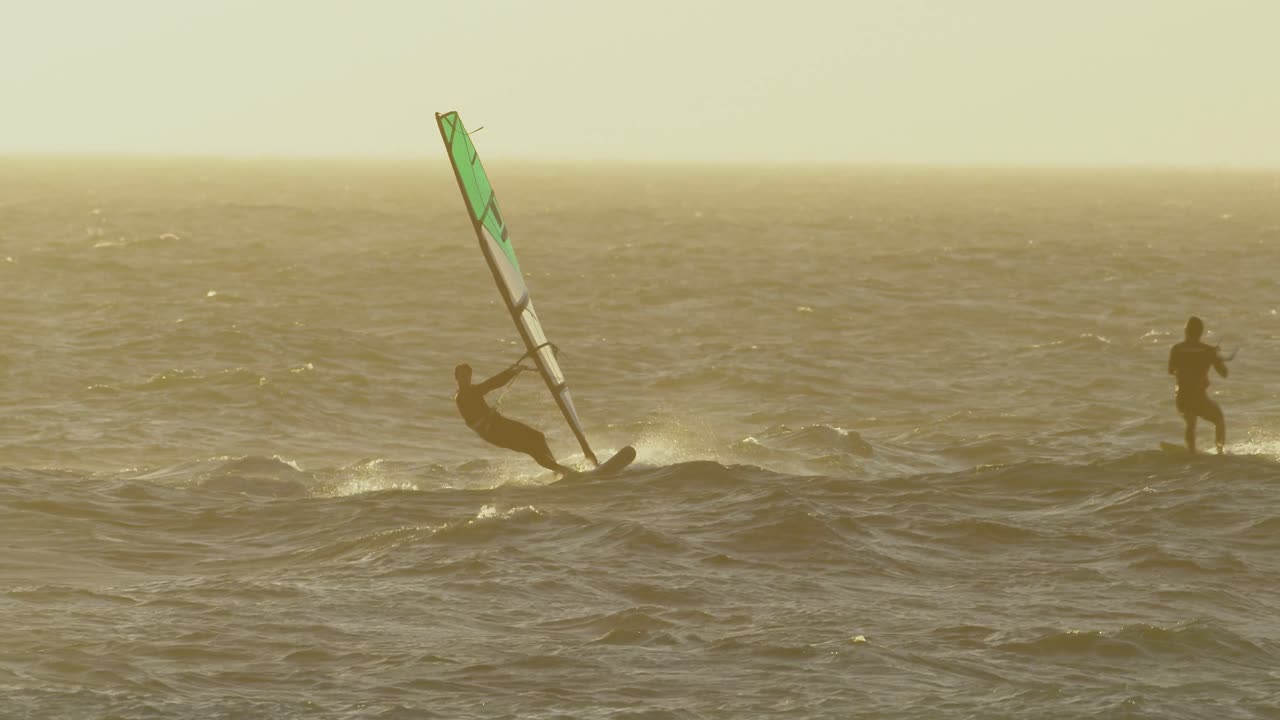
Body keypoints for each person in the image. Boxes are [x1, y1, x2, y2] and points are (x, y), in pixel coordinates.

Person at [454, 362, 574, 474]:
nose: (464, 379)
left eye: (466, 376)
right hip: (494, 432)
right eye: (461, 377)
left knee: (538, 437)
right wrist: (511, 372)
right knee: (532, 448)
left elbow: (492, 383)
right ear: (457, 379)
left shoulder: (472, 390)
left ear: (470, 376)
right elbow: (471, 423)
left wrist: (511, 371)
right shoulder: (463, 396)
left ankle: (555, 468)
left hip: (500, 425)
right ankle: (563, 471)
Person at [1167, 316, 1229, 455]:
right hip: (1198, 396)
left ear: (1186, 331)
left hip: (1181, 397)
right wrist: (1216, 357)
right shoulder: (1208, 351)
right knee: (1218, 418)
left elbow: (1170, 370)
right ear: (1200, 332)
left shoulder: (1176, 349)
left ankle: (1191, 452)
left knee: (1190, 421)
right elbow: (1224, 373)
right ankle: (1220, 452)